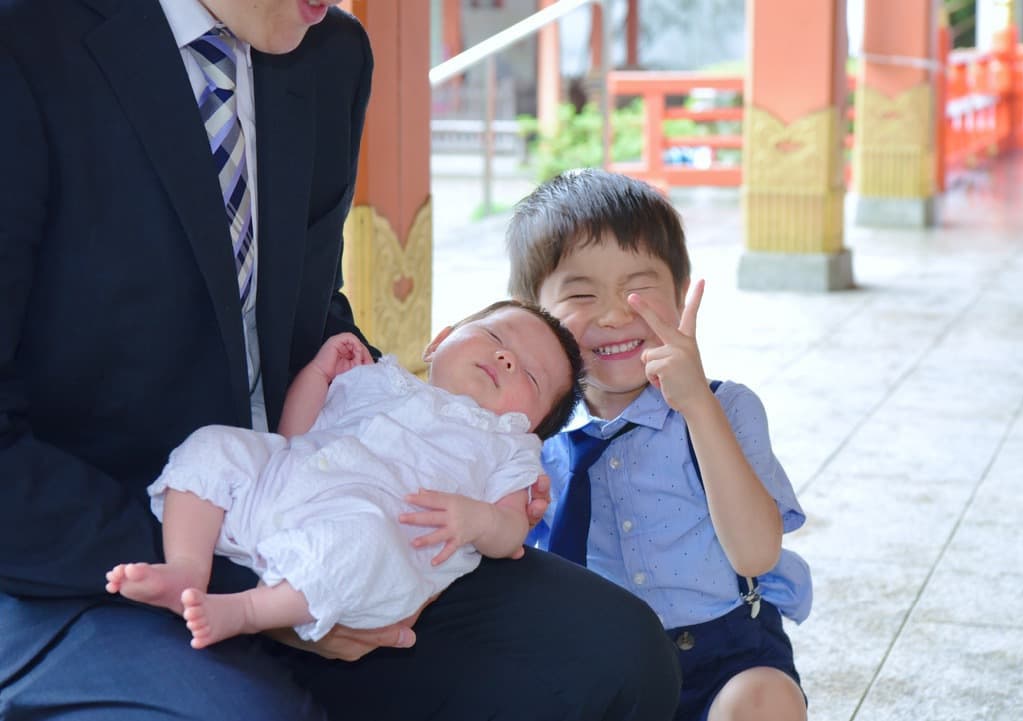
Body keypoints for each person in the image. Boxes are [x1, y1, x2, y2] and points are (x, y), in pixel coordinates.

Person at [0, 1, 682, 718]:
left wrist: (432, 435)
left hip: (329, 505)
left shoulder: (329, 54)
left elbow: (311, 316)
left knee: (620, 658)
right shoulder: (25, 43)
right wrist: (260, 578)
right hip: (105, 550)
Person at [507, 168, 813, 721]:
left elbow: (755, 554)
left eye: (638, 288)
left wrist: (697, 406)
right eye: (580, 293)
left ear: (678, 293)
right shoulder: (528, 436)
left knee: (765, 701)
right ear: (532, 313)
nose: (615, 313)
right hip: (597, 663)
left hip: (726, 654)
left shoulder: (728, 408)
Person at [106, 300, 584, 649]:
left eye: (531, 375)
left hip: (366, 536)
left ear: (534, 426)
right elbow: (297, 435)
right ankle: (187, 566)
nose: (505, 358)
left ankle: (247, 610)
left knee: (364, 540)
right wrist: (318, 376)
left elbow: (511, 532)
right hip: (284, 487)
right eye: (497, 337)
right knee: (216, 445)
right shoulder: (381, 379)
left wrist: (478, 520)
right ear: (440, 341)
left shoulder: (507, 445)